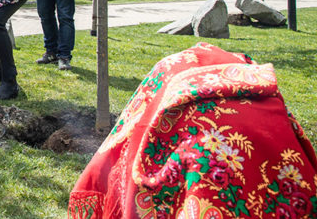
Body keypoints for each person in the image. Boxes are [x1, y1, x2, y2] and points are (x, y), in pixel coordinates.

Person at [68, 43, 317, 218]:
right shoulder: (262, 94)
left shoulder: (157, 91)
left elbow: (110, 153)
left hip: (206, 171)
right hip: (280, 168)